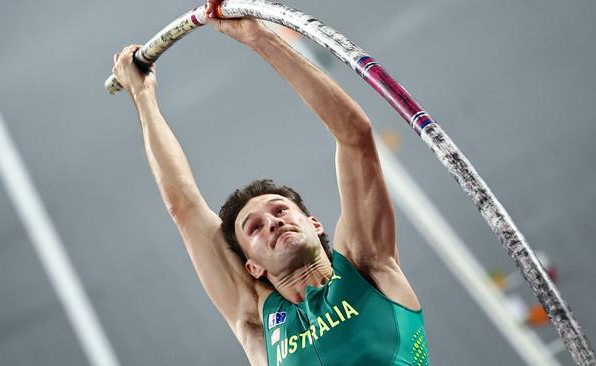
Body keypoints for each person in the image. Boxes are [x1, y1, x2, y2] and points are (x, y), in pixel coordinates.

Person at [112, 4, 430, 365]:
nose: (274, 222)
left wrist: (260, 37)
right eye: (255, 228)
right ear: (253, 267)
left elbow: (355, 138)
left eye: (280, 210)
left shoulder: (366, 266)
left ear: (314, 224)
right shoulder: (257, 325)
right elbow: (183, 207)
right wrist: (143, 97)